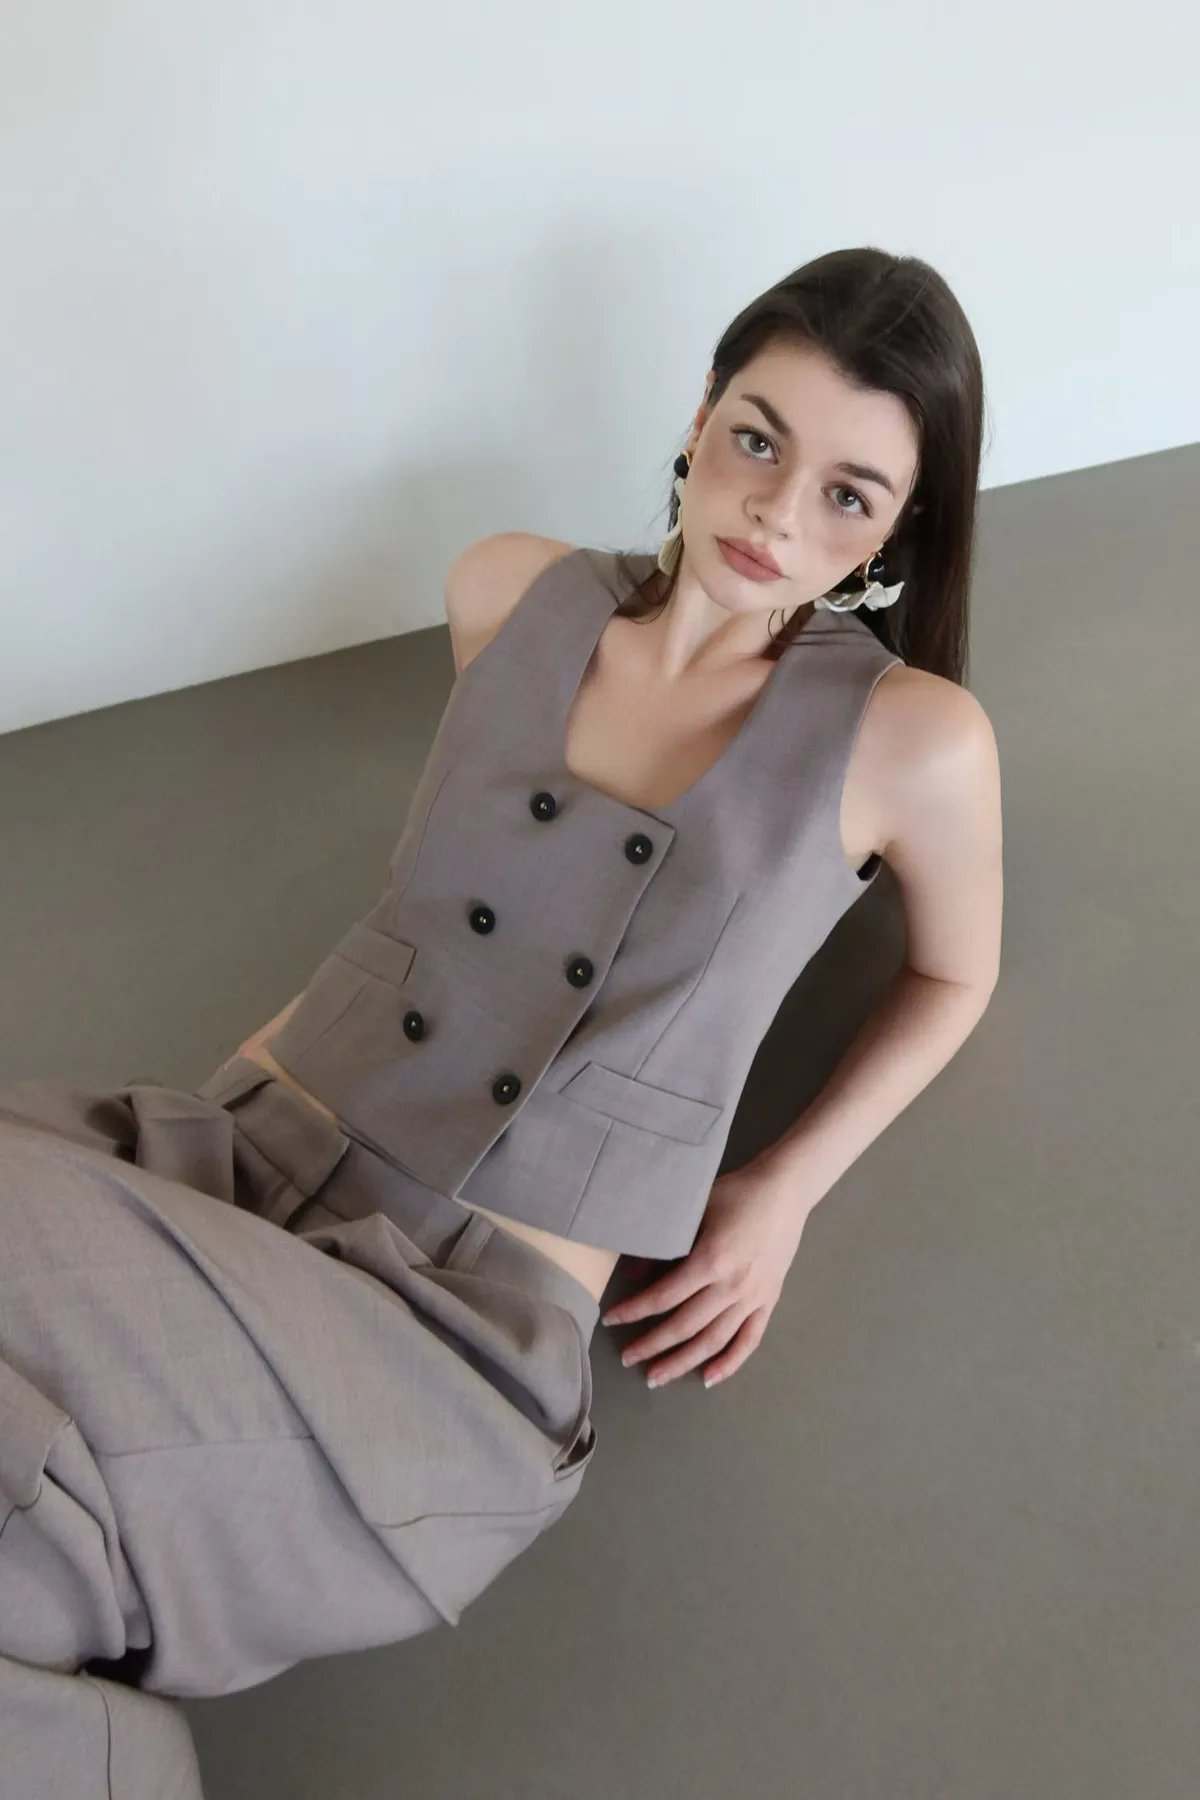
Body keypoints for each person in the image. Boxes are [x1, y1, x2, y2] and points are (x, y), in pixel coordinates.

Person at [0, 245, 1003, 1797]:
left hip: (442, 1336)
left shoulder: (912, 741)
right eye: (758, 438)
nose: (775, 512)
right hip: (218, 1171)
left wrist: (780, 1191)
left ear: (899, 528)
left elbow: (956, 976)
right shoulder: (507, 590)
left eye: (848, 494)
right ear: (702, 414)